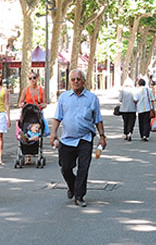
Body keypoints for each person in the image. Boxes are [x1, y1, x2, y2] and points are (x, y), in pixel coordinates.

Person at [50, 69, 106, 208]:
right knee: (65, 167)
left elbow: (98, 119)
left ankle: (79, 196)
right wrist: (53, 134)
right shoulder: (64, 97)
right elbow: (57, 117)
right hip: (67, 139)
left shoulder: (92, 98)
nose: (75, 82)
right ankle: (72, 186)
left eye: (78, 79)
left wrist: (102, 137)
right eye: (73, 79)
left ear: (84, 81)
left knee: (83, 168)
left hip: (85, 139)